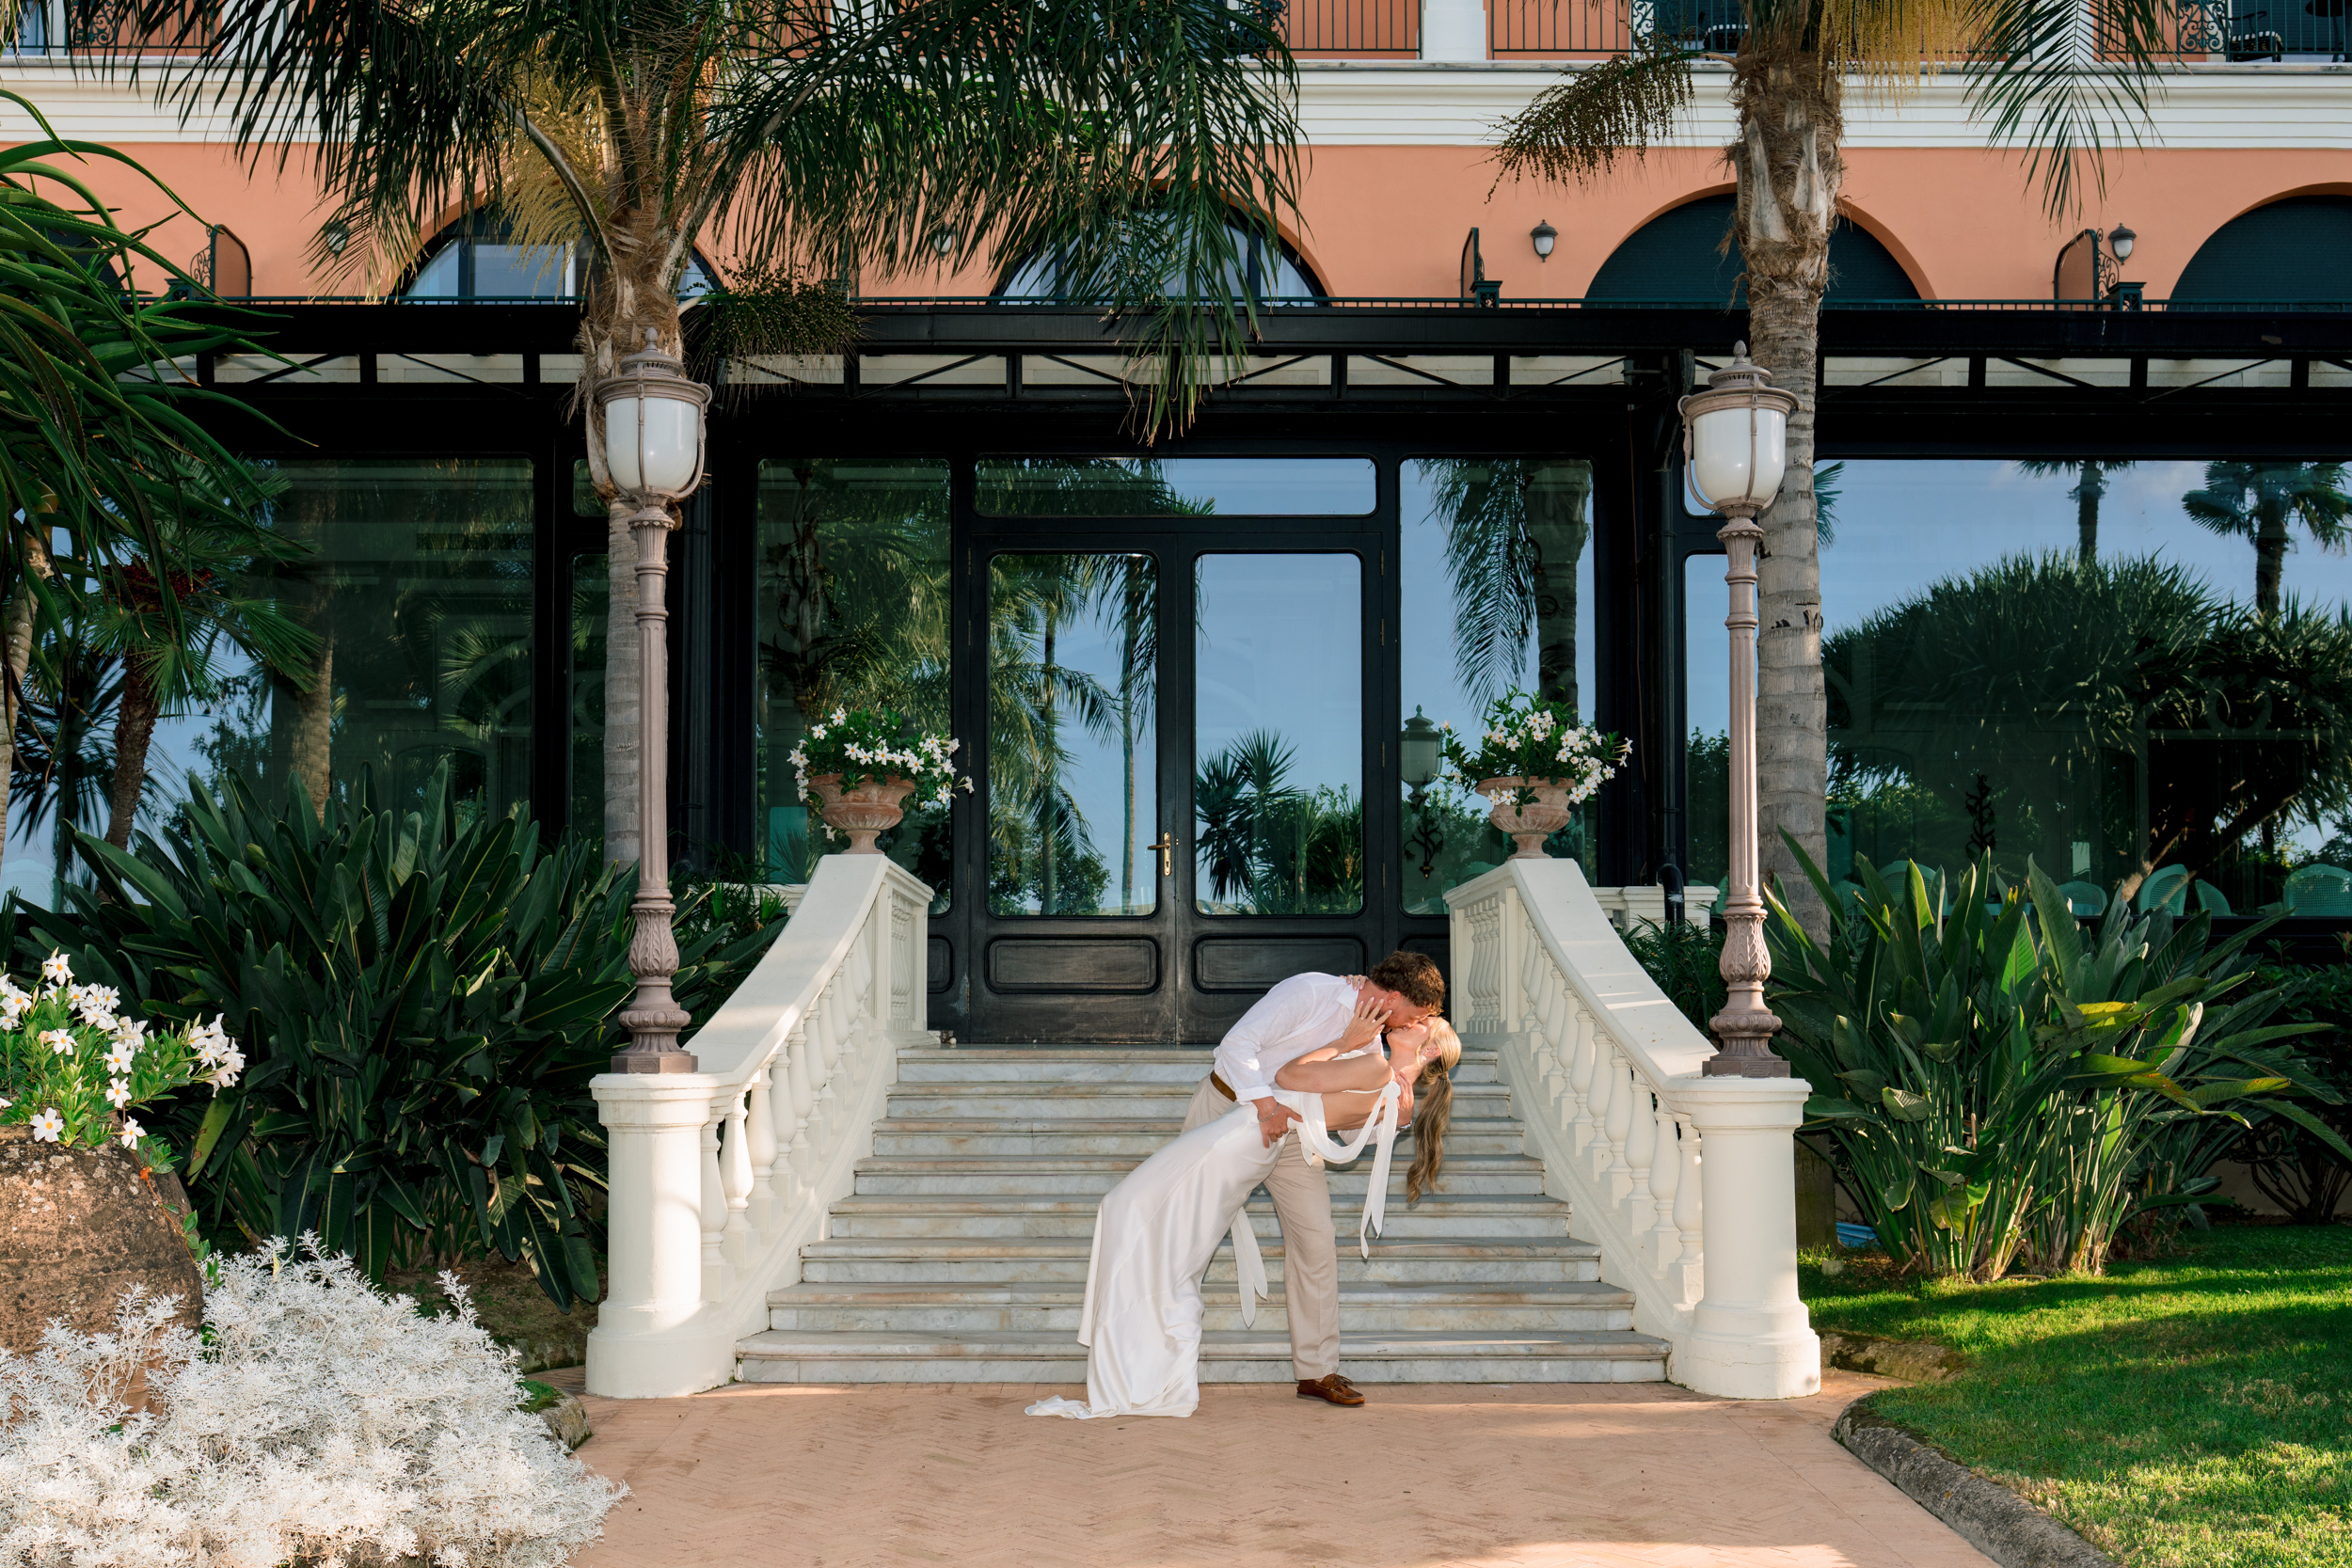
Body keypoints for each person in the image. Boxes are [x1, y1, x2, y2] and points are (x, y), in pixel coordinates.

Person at [1024, 959, 1458, 1421]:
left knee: (1316, 1240)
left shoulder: (1375, 1044)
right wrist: (1268, 1105)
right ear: (1391, 998)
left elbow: (1350, 1126)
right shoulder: (1311, 991)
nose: (1415, 1024)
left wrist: (1396, 1116)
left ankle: (1318, 1371)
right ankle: (1145, 1344)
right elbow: (1237, 1045)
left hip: (1292, 1136)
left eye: (1420, 1022)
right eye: (1414, 1013)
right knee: (1181, 1232)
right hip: (1228, 1108)